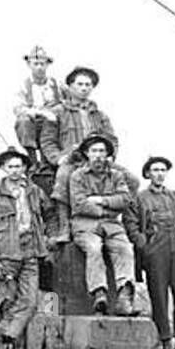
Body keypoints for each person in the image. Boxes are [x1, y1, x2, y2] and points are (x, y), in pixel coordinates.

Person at [0, 148, 55, 349]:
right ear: (3, 169)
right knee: (8, 303)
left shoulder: (34, 192)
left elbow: (50, 213)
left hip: (31, 252)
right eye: (10, 166)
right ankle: (9, 347)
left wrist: (50, 237)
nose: (15, 170)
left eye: (19, 166)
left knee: (29, 302)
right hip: (6, 255)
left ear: (24, 168)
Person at [41, 66, 121, 244]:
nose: (84, 88)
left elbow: (112, 139)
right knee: (63, 178)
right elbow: (47, 141)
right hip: (73, 159)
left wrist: (110, 156)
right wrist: (58, 158)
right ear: (70, 87)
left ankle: (112, 221)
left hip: (98, 160)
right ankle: (64, 227)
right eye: (80, 84)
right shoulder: (57, 113)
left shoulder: (99, 115)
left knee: (130, 180)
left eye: (88, 85)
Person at [124, 156, 175, 349]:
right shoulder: (139, 197)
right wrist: (144, 245)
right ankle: (165, 341)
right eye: (155, 170)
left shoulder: (174, 196)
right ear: (147, 173)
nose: (160, 173)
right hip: (155, 248)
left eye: (163, 170)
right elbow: (130, 224)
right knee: (159, 295)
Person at [69, 135, 140, 317]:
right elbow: (79, 203)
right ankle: (99, 293)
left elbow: (124, 199)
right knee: (94, 248)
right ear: (87, 153)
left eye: (102, 151)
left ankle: (124, 296)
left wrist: (101, 200)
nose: (98, 155)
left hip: (112, 226)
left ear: (108, 154)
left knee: (126, 249)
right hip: (86, 226)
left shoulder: (116, 176)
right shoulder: (77, 176)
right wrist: (108, 208)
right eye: (94, 151)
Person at [12, 45, 63, 162]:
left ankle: (50, 159)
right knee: (23, 121)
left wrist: (55, 111)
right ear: (29, 65)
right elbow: (18, 108)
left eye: (42, 64)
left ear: (47, 65)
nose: (39, 67)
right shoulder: (23, 85)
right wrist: (40, 113)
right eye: (36, 64)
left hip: (53, 121)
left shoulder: (57, 84)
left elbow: (67, 101)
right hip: (33, 121)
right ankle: (33, 160)